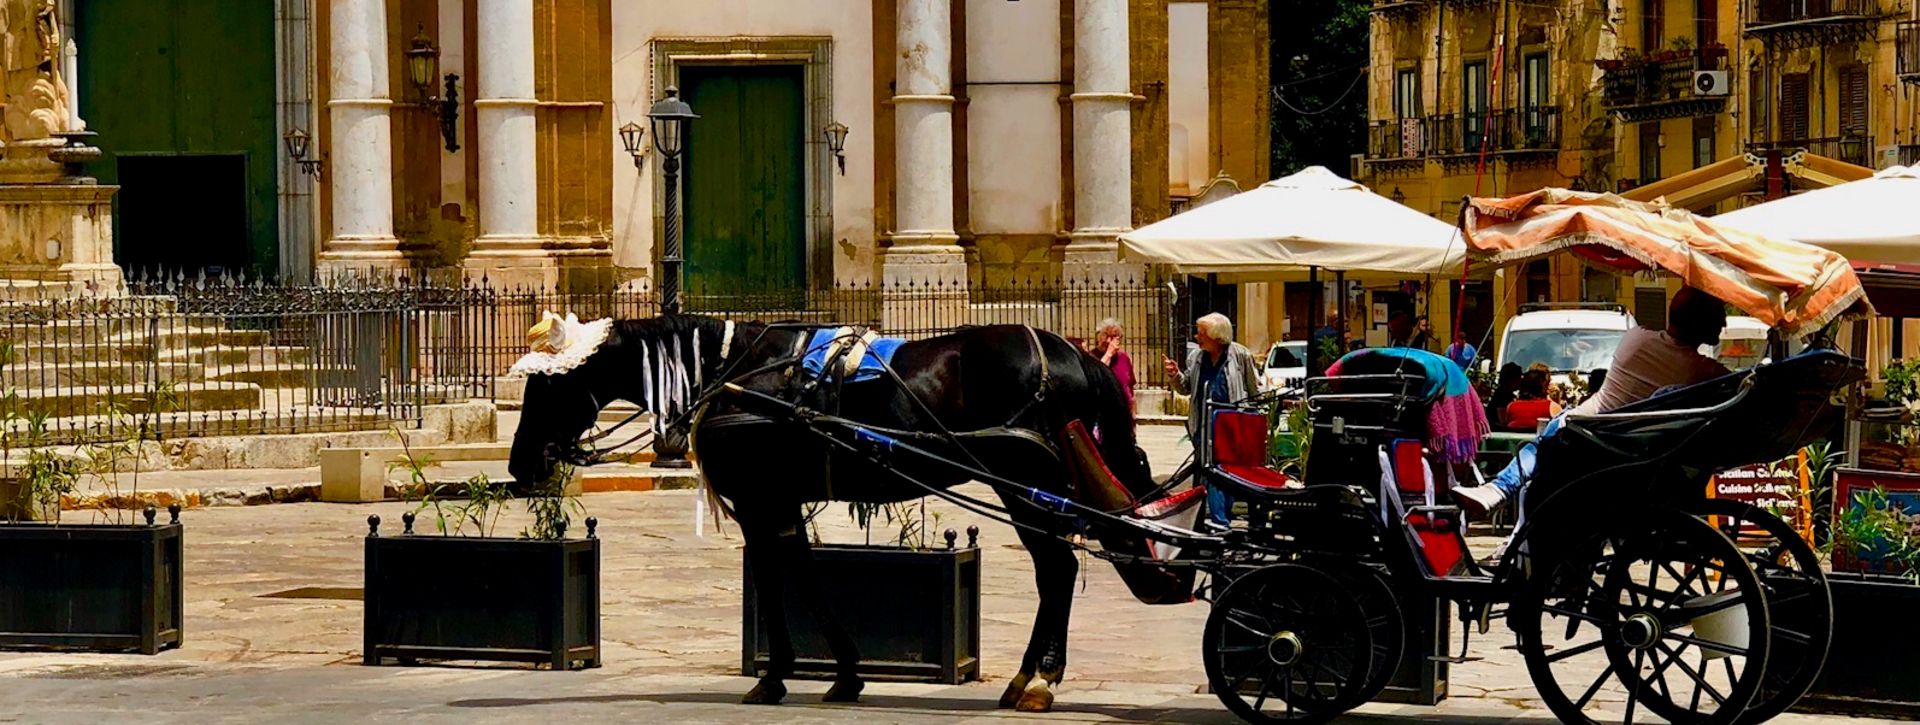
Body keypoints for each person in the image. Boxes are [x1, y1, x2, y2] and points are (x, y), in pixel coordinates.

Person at [1453, 287, 1731, 515]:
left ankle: (1499, 489)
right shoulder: (1704, 371)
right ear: (1701, 325)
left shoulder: (1636, 339)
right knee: (1550, 437)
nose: (1723, 326)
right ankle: (1499, 492)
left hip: (1589, 436)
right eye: (1719, 321)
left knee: (1544, 441)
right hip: (1626, 449)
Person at [1163, 313, 1262, 530]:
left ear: (1217, 336)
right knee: (1210, 473)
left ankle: (1220, 521)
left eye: (1201, 333)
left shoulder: (1240, 355)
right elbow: (1186, 387)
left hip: (1231, 425)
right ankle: (1216, 522)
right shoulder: (1197, 358)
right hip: (1203, 426)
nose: (1197, 337)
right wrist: (1175, 375)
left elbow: (1255, 391)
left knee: (1225, 474)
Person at [1091, 318, 1136, 414]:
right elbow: (1096, 379)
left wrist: (1133, 414)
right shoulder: (1090, 357)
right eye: (1105, 335)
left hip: (1123, 414)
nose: (1108, 341)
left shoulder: (1124, 358)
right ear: (1098, 336)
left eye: (1114, 336)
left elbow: (1130, 389)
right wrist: (1108, 355)